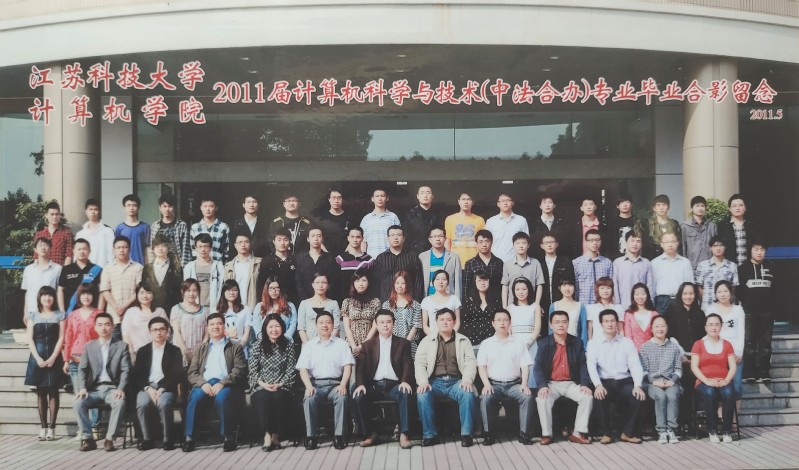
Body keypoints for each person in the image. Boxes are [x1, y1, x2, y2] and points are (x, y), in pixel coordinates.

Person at [183, 313, 247, 453]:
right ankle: (189, 438)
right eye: (212, 324)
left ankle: (228, 437)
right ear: (207, 328)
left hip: (225, 383)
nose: (215, 327)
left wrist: (223, 383)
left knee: (222, 398)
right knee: (194, 398)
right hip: (205, 383)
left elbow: (239, 370)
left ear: (224, 326)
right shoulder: (201, 348)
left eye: (219, 323)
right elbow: (192, 372)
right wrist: (202, 383)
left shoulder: (234, 347)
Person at [415, 308, 478, 447]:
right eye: (442, 320)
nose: (445, 322)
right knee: (422, 395)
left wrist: (467, 380)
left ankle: (467, 434)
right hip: (434, 382)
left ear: (454, 322)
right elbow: (419, 364)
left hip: (456, 381)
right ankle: (430, 435)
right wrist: (423, 381)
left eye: (449, 320)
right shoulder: (427, 341)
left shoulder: (463, 340)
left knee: (467, 394)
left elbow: (470, 362)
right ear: (436, 322)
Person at [352, 309, 414, 449]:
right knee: (358, 394)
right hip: (374, 386)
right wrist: (360, 384)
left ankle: (404, 433)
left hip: (395, 385)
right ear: (376, 324)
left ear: (393, 323)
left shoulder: (403, 343)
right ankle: (370, 434)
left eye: (388, 322)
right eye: (381, 322)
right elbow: (360, 368)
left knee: (405, 391)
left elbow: (407, 364)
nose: (385, 325)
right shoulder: (367, 345)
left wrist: (405, 381)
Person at [296, 311, 355, 450]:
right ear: (316, 325)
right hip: (316, 385)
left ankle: (339, 436)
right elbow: (303, 369)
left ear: (333, 325)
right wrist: (308, 386)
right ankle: (311, 437)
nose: (325, 325)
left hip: (335, 384)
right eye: (321, 322)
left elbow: (348, 367)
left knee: (342, 397)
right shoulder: (309, 346)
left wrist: (343, 384)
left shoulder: (341, 344)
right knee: (309, 399)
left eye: (328, 322)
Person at [586, 309, 646, 444]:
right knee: (599, 397)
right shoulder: (593, 343)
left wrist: (637, 385)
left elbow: (635, 365)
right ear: (601, 324)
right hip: (604, 381)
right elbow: (591, 366)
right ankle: (607, 434)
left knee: (638, 396)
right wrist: (598, 385)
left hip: (624, 381)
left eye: (612, 321)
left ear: (618, 323)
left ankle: (627, 433)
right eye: (606, 321)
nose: (610, 324)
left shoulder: (627, 342)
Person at [534, 310, 593, 446]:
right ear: (551, 325)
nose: (561, 325)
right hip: (551, 384)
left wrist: (584, 384)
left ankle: (578, 433)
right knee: (542, 399)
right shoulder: (544, 343)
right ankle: (547, 434)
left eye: (564, 322)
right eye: (557, 322)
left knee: (587, 397)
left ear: (568, 324)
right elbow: (538, 367)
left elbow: (583, 365)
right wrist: (542, 386)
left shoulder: (576, 342)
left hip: (571, 383)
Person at [477, 308, 535, 445]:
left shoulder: (518, 342)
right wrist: (486, 384)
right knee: (485, 398)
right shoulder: (486, 343)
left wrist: (524, 384)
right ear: (493, 323)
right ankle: (488, 434)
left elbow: (525, 366)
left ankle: (524, 434)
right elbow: (481, 366)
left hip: (514, 385)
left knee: (527, 397)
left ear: (510, 323)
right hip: (494, 385)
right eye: (499, 320)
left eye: (505, 320)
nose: (502, 323)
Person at [74, 313, 130, 452]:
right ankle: (88, 439)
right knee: (78, 403)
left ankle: (109, 439)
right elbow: (82, 369)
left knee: (120, 402)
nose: (103, 328)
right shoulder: (89, 346)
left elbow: (125, 370)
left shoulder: (121, 346)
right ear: (95, 327)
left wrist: (121, 388)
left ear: (112, 327)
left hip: (113, 388)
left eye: (107, 324)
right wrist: (82, 388)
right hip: (94, 389)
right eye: (100, 325)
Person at [132, 316, 184, 451]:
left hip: (166, 387)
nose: (158, 332)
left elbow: (176, 374)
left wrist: (161, 389)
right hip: (147, 387)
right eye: (155, 330)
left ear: (167, 331)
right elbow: (138, 375)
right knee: (142, 403)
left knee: (164, 403)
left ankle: (168, 439)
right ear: (150, 332)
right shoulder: (143, 351)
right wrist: (149, 389)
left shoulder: (174, 351)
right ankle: (147, 439)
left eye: (162, 329)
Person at [248, 314, 297, 452]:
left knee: (279, 397)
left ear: (282, 328)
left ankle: (276, 435)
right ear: (265, 328)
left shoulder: (288, 345)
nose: (274, 330)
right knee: (264, 398)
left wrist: (281, 384)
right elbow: (252, 370)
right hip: (261, 385)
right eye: (271, 327)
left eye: (277, 326)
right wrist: (262, 384)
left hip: (283, 386)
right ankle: (267, 435)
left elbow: (291, 369)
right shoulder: (258, 345)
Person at [662, 282, 705, 433]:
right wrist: (680, 355)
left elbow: (703, 337)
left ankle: (694, 424)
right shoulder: (672, 311)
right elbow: (669, 336)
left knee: (695, 390)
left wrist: (696, 356)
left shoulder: (699, 313)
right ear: (680, 294)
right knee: (682, 390)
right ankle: (680, 423)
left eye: (691, 293)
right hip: (678, 358)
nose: (688, 297)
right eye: (685, 293)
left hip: (696, 358)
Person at [25, 286, 67, 441]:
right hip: (38, 357)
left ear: (54, 298)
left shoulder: (60, 315)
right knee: (41, 392)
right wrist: (38, 358)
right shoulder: (33, 315)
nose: (47, 298)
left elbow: (61, 337)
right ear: (39, 298)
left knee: (54, 391)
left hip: (54, 357)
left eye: (50, 295)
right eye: (44, 295)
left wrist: (54, 356)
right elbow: (30, 338)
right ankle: (43, 427)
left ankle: (52, 428)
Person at [691, 313, 737, 443]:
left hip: (723, 381)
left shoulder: (727, 344)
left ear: (721, 327)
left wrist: (726, 381)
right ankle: (712, 431)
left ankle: (727, 431)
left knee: (729, 392)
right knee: (709, 392)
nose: (714, 327)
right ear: (705, 327)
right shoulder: (698, 344)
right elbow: (694, 367)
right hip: (703, 381)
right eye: (710, 324)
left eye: (717, 324)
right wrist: (706, 381)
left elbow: (733, 367)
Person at [639, 315, 683, 444]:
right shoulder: (645, 347)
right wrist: (654, 382)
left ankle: (671, 429)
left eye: (662, 326)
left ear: (667, 328)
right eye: (657, 326)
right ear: (651, 329)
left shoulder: (673, 347)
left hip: (670, 381)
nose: (660, 329)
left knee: (672, 395)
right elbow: (644, 371)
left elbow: (678, 369)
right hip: (651, 382)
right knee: (660, 396)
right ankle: (662, 430)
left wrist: (672, 381)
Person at [737, 241, 774, 382]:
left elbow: (777, 289)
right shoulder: (742, 269)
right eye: (756, 249)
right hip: (749, 312)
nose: (759, 252)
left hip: (767, 312)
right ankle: (749, 372)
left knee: (765, 343)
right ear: (750, 250)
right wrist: (746, 305)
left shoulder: (771, 267)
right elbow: (739, 290)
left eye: (762, 249)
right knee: (749, 343)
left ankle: (764, 372)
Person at [705, 280, 745, 408]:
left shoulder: (738, 310)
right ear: (715, 294)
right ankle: (721, 416)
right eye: (719, 292)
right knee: (718, 387)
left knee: (737, 387)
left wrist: (739, 353)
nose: (722, 294)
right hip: (716, 354)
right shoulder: (710, 310)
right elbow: (707, 332)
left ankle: (733, 418)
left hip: (734, 354)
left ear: (731, 293)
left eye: (725, 291)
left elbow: (741, 332)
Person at [99, 236, 143, 338]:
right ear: (114, 250)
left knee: (132, 345)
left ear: (129, 249)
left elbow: (139, 291)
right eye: (118, 247)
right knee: (114, 345)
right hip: (113, 317)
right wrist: (116, 307)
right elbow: (105, 290)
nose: (121, 250)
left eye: (124, 247)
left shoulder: (138, 267)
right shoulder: (108, 269)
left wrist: (124, 306)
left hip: (132, 316)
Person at [63, 284, 100, 394]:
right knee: (79, 395)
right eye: (83, 294)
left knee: (93, 395)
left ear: (93, 296)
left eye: (89, 294)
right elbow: (68, 338)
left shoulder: (99, 314)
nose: (86, 297)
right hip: (75, 359)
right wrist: (66, 360)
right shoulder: (73, 315)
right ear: (79, 296)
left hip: (93, 359)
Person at [372, 225, 423, 302]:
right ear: (388, 238)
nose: (395, 238)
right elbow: (376, 282)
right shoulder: (381, 258)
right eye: (392, 235)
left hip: (408, 302)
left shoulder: (412, 257)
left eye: (399, 235)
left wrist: (416, 300)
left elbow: (418, 281)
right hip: (386, 301)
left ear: (404, 238)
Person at [121, 283, 168, 362]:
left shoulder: (160, 311)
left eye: (148, 292)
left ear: (153, 294)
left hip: (158, 354)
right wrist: (131, 353)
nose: (145, 296)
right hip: (137, 354)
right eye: (141, 293)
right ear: (137, 295)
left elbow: (167, 332)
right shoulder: (131, 312)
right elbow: (125, 334)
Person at [244, 277, 297, 347]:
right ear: (266, 290)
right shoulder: (259, 306)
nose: (274, 291)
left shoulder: (290, 306)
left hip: (284, 343)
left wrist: (285, 338)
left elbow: (293, 324)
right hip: (264, 343)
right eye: (271, 288)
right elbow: (256, 325)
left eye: (277, 288)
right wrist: (264, 340)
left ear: (281, 289)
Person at [22, 237, 62, 324]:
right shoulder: (28, 269)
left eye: (46, 245)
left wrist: (60, 312)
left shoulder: (57, 269)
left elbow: (59, 291)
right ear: (35, 250)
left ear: (50, 248)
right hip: (32, 311)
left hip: (51, 312)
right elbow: (28, 292)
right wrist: (26, 311)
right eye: (40, 245)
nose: (43, 248)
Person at [651, 232, 694, 314]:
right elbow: (652, 286)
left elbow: (690, 284)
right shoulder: (654, 263)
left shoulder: (685, 262)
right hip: (662, 301)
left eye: (673, 241)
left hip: (681, 300)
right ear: (661, 244)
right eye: (667, 242)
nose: (670, 245)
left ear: (677, 243)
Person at [507, 278, 542, 379]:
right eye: (517, 289)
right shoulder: (510, 308)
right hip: (514, 343)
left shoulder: (535, 306)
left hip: (531, 343)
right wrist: (513, 343)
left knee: (531, 371)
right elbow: (508, 329)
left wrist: (529, 343)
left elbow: (537, 329)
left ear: (529, 290)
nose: (520, 292)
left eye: (524, 289)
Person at [382, 271, 422, 359]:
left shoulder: (415, 305)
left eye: (403, 283)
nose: (400, 286)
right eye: (397, 283)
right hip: (390, 344)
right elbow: (384, 325)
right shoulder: (386, 305)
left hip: (409, 345)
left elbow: (416, 326)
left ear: (407, 285)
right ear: (393, 285)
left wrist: (405, 344)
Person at [294, 226, 341, 302]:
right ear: (308, 239)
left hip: (325, 300)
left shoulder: (330, 258)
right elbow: (298, 282)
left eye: (319, 236)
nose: (316, 239)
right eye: (313, 236)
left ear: (322, 239)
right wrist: (305, 301)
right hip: (305, 301)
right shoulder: (300, 258)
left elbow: (333, 281)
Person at [342, 270, 380, 357]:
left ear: (368, 282)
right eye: (357, 280)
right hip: (351, 344)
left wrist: (363, 345)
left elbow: (375, 326)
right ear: (353, 283)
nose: (361, 284)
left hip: (370, 343)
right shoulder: (347, 302)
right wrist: (353, 346)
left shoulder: (375, 302)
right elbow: (346, 327)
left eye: (364, 280)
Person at [170, 279, 208, 366]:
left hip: (199, 353)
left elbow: (206, 334)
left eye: (194, 290)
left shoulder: (204, 310)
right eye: (188, 290)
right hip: (181, 352)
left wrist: (200, 350)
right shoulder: (176, 309)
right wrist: (185, 351)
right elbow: (177, 332)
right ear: (182, 291)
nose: (191, 294)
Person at [58, 238, 102, 314]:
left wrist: (99, 311)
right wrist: (62, 311)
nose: (82, 251)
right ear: (73, 251)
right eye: (79, 249)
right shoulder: (66, 269)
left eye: (84, 249)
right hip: (70, 312)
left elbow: (101, 292)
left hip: (91, 312)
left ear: (89, 251)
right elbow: (60, 290)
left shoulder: (97, 269)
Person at [141, 234, 183, 313]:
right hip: (152, 309)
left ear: (168, 248)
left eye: (163, 246)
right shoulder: (147, 268)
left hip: (172, 309)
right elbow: (144, 289)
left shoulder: (176, 268)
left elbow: (179, 291)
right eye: (157, 246)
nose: (160, 249)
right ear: (153, 249)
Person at [183, 233, 224, 312]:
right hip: (194, 308)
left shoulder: (218, 266)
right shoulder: (189, 267)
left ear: (210, 247)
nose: (203, 249)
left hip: (213, 308)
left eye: (206, 246)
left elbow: (221, 289)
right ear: (195, 247)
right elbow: (186, 290)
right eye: (200, 246)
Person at [257, 228, 299, 306]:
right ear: (274, 241)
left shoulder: (295, 260)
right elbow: (261, 285)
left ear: (290, 241)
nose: (282, 243)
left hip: (291, 302)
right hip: (271, 302)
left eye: (285, 240)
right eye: (279, 240)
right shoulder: (267, 261)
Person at [695, 236, 739, 309]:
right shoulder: (702, 265)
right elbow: (699, 287)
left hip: (726, 306)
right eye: (715, 246)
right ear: (710, 248)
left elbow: (733, 287)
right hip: (707, 306)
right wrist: (702, 302)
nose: (718, 248)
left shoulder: (732, 266)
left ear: (725, 247)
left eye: (721, 245)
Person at [501, 232, 544, 308]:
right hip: (512, 306)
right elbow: (505, 285)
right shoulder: (507, 264)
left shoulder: (535, 263)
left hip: (531, 305)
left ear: (528, 245)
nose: (521, 246)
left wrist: (537, 305)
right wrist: (505, 306)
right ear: (513, 245)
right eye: (517, 243)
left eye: (524, 243)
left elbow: (540, 284)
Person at [150, 194, 193, 267]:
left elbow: (186, 248)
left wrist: (184, 267)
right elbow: (152, 247)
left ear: (174, 208)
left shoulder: (181, 225)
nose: (167, 209)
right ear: (160, 208)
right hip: (159, 263)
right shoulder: (155, 225)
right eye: (164, 206)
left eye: (170, 206)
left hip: (176, 264)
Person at [445, 192, 486, 268]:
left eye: (468, 199)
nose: (466, 202)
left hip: (475, 261)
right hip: (456, 261)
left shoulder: (479, 220)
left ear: (472, 202)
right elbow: (448, 241)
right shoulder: (450, 219)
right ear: (459, 201)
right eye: (463, 199)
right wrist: (448, 259)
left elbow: (483, 242)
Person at [419, 227, 462, 299]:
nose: (438, 239)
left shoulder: (454, 257)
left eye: (440, 236)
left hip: (448, 299)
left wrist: (457, 302)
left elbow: (458, 283)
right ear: (429, 239)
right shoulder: (422, 257)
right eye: (434, 236)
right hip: (428, 298)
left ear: (445, 238)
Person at [718, 194, 761, 266]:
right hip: (729, 267)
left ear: (745, 208)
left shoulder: (752, 226)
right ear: (729, 209)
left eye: (741, 205)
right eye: (734, 206)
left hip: (749, 267)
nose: (737, 208)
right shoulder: (722, 226)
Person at [297, 273, 342, 342]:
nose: (320, 285)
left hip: (330, 344)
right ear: (313, 285)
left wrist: (327, 343)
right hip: (309, 344)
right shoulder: (304, 304)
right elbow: (301, 328)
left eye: (324, 282)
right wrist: (308, 345)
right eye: (317, 282)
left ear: (328, 285)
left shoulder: (333, 304)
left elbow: (336, 327)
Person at [612, 231, 653, 305]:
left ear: (641, 244)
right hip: (623, 305)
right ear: (626, 242)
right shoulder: (617, 263)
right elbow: (615, 286)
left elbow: (650, 286)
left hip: (641, 306)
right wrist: (617, 306)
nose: (635, 244)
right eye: (632, 240)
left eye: (638, 241)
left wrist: (650, 305)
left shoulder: (646, 263)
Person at [460, 270, 501, 346]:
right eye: (479, 280)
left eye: (485, 280)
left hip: (492, 342)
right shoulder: (468, 301)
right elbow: (464, 324)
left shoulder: (496, 301)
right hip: (472, 342)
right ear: (474, 282)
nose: (482, 283)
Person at [572, 229, 612, 305]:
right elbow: (575, 287)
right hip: (584, 304)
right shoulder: (577, 263)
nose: (595, 243)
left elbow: (610, 285)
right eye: (591, 240)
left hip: (602, 305)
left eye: (597, 240)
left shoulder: (607, 263)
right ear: (585, 242)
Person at [485, 193, 529, 262]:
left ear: (512, 203)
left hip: (516, 261)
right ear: (498, 204)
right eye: (502, 201)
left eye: (508, 200)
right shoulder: (491, 221)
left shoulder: (521, 220)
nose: (505, 203)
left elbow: (526, 241)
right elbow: (486, 242)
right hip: (495, 262)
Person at [538, 233, 575, 316]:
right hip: (543, 305)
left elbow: (571, 282)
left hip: (562, 303)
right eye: (546, 243)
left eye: (552, 242)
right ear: (542, 246)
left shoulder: (566, 262)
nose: (549, 245)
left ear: (557, 244)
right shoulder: (538, 263)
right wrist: (538, 305)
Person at [224, 233, 263, 310]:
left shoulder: (259, 263)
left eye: (246, 242)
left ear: (250, 244)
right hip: (234, 307)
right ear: (235, 245)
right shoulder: (229, 266)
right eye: (240, 242)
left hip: (253, 306)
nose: (243, 245)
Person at [335, 226, 376, 299]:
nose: (355, 240)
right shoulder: (340, 260)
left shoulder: (369, 260)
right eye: (352, 237)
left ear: (362, 238)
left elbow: (372, 284)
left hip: (364, 300)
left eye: (358, 237)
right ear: (348, 238)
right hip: (344, 300)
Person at [463, 229, 503, 302]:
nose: (484, 245)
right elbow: (466, 288)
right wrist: (467, 303)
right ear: (476, 243)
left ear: (492, 243)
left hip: (496, 302)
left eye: (487, 241)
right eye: (480, 242)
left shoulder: (499, 262)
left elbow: (502, 286)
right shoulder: (470, 263)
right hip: (476, 303)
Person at [314, 188, 355, 258]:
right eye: (333, 198)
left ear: (342, 199)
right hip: (325, 257)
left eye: (339, 198)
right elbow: (317, 239)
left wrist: (344, 256)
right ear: (329, 199)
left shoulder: (350, 218)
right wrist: (327, 255)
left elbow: (354, 238)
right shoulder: (321, 219)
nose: (336, 201)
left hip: (346, 257)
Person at [360, 189, 401, 258]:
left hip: (390, 258)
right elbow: (363, 241)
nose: (380, 199)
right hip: (371, 258)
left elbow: (399, 239)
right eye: (377, 196)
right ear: (372, 199)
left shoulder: (393, 217)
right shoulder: (366, 219)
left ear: (387, 198)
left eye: (382, 196)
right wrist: (363, 258)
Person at [227, 194, 270, 259]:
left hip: (261, 260)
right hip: (241, 260)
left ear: (258, 205)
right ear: (243, 205)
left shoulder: (265, 224)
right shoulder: (235, 224)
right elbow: (231, 246)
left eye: (254, 202)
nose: (251, 205)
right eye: (248, 202)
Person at [404, 185, 443, 256]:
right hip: (415, 254)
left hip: (435, 253)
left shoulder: (439, 214)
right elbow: (407, 238)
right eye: (422, 193)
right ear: (418, 196)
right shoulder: (410, 215)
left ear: (432, 196)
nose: (425, 196)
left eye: (428, 193)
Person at [681, 195, 718, 269]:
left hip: (709, 266)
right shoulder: (685, 226)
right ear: (692, 208)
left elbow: (716, 246)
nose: (700, 208)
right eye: (697, 206)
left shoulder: (711, 225)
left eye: (702, 206)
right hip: (692, 266)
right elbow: (683, 248)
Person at [421, 270, 462, 336]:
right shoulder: (426, 301)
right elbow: (425, 326)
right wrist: (434, 337)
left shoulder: (454, 299)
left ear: (448, 282)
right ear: (433, 282)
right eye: (437, 279)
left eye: (444, 279)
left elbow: (457, 322)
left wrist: (450, 336)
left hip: (451, 337)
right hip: (432, 337)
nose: (440, 282)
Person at [190, 196, 230, 263]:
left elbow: (227, 250)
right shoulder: (195, 228)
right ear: (201, 208)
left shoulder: (223, 227)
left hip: (218, 264)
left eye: (211, 206)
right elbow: (192, 249)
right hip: (200, 265)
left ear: (216, 208)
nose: (207, 209)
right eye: (205, 206)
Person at [548, 279, 587, 347]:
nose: (567, 288)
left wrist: (583, 348)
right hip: (557, 346)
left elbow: (584, 329)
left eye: (570, 285)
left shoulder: (580, 306)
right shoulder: (554, 306)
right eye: (564, 285)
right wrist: (551, 346)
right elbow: (550, 329)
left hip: (575, 345)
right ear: (559, 288)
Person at [76, 199, 115, 268]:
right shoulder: (80, 234)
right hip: (84, 271)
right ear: (86, 211)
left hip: (103, 270)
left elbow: (112, 254)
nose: (93, 212)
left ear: (99, 211)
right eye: (90, 209)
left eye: (96, 209)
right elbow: (76, 256)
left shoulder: (108, 231)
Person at [34, 201, 74, 266]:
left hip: (60, 270)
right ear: (46, 215)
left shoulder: (67, 233)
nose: (55, 217)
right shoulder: (39, 235)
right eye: (52, 214)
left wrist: (64, 271)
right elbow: (36, 257)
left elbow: (69, 256)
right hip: (43, 270)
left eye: (57, 214)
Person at [642, 194, 682, 260]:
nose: (661, 208)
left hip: (671, 259)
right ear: (654, 208)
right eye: (658, 205)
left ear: (668, 207)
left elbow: (679, 244)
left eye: (664, 205)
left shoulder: (674, 224)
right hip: (652, 258)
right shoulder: (647, 225)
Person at [114, 194, 150, 265]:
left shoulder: (145, 227)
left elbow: (147, 249)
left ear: (138, 208)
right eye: (129, 205)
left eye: (134, 205)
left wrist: (147, 265)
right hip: (123, 264)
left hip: (140, 264)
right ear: (124, 208)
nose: (131, 208)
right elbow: (116, 248)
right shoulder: (119, 228)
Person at [529, 194, 566, 260]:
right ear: (540, 206)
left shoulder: (561, 223)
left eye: (550, 202)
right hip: (538, 259)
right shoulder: (533, 224)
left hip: (558, 259)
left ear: (554, 205)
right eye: (544, 203)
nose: (547, 205)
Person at [623, 283, 658, 350]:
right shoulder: (629, 314)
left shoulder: (654, 314)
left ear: (647, 295)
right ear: (633, 296)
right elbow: (628, 337)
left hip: (652, 351)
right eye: (637, 294)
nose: (640, 297)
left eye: (643, 294)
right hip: (634, 352)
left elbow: (658, 335)